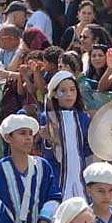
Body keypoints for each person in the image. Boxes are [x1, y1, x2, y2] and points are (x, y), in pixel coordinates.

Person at [40, 71, 92, 200]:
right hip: (58, 172)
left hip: (80, 170)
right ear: (55, 94)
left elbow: (86, 147)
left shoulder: (83, 117)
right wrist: (48, 140)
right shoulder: (48, 117)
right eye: (63, 90)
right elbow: (48, 153)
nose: (69, 94)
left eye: (72, 90)